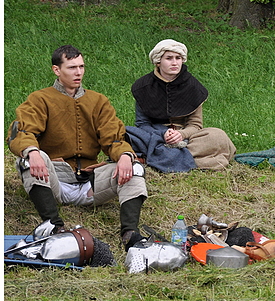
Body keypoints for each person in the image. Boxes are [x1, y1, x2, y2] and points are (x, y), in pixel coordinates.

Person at [7, 45, 148, 251]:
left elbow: (114, 138)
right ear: (57, 70)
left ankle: (130, 234)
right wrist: (32, 151)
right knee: (27, 159)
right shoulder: (40, 99)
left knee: (135, 167)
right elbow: (22, 132)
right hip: (53, 180)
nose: (79, 72)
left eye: (81, 66)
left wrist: (125, 155)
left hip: (90, 184)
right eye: (72, 67)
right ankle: (55, 228)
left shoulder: (98, 101)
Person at [130, 39, 236, 171]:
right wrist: (163, 134)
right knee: (126, 134)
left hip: (187, 140)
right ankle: (182, 158)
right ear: (158, 62)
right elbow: (142, 124)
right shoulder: (143, 87)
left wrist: (181, 135)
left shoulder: (193, 87)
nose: (174, 62)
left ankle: (158, 158)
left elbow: (196, 125)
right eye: (169, 58)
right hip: (154, 136)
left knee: (217, 136)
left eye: (178, 58)